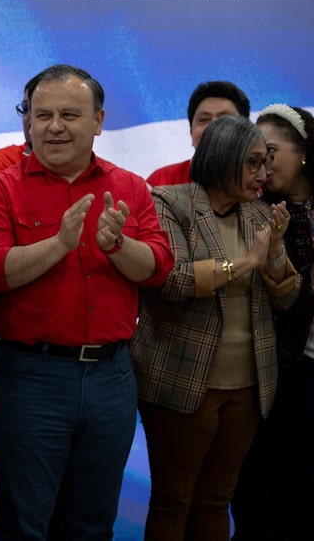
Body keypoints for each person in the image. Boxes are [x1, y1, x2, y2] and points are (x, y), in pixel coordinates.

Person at [0, 64, 174, 540]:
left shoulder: (129, 187)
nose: (54, 126)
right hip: (31, 380)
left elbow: (160, 266)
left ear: (98, 121)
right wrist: (59, 244)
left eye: (69, 114)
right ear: (28, 122)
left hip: (111, 378)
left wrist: (118, 247)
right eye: (42, 115)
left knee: (91, 524)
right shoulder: (3, 186)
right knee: (24, 523)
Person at [131, 115, 299, 540]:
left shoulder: (260, 212)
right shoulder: (169, 202)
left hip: (248, 385)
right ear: (223, 158)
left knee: (217, 500)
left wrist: (275, 251)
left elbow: (286, 296)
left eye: (266, 163)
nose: (264, 175)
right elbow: (172, 281)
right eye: (254, 164)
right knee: (174, 500)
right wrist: (247, 262)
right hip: (183, 382)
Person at [233, 104, 314, 541]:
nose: (263, 165)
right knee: (255, 492)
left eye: (272, 152)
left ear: (303, 153)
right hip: (261, 371)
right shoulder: (249, 210)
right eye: (256, 156)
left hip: (308, 370)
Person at [146, 80, 251, 187]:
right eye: (204, 119)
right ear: (191, 133)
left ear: (248, 131)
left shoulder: (262, 180)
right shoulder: (160, 182)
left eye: (225, 119)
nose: (213, 127)